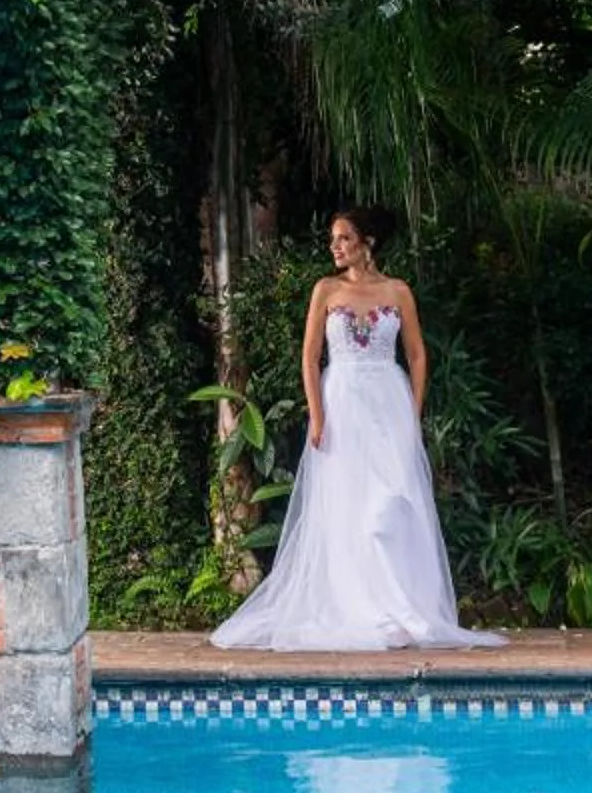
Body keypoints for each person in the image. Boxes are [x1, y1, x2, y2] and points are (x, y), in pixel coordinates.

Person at [211, 208, 503, 652]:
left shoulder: (397, 291)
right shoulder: (326, 290)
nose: (335, 246)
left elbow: (417, 355)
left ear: (368, 242)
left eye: (344, 238)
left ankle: (399, 606)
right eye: (333, 239)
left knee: (392, 502)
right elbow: (310, 357)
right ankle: (359, 608)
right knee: (348, 504)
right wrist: (317, 414)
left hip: (389, 403)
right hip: (342, 403)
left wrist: (413, 412)